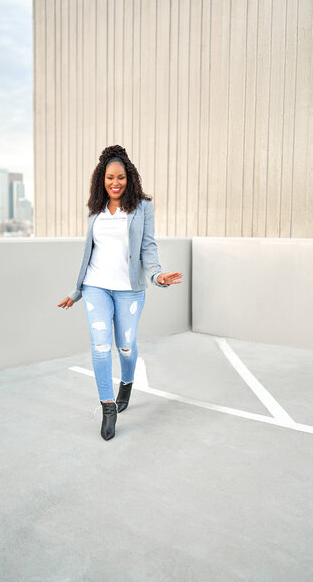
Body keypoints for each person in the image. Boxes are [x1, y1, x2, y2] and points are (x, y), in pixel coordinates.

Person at [57, 145, 182, 441]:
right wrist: (77, 291)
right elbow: (90, 252)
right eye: (110, 177)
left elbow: (148, 248)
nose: (116, 183)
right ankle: (107, 407)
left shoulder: (142, 207)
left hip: (129, 291)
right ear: (102, 179)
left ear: (130, 178)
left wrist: (157, 275)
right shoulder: (95, 209)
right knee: (101, 347)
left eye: (121, 177)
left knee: (125, 346)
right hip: (95, 287)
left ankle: (126, 382)